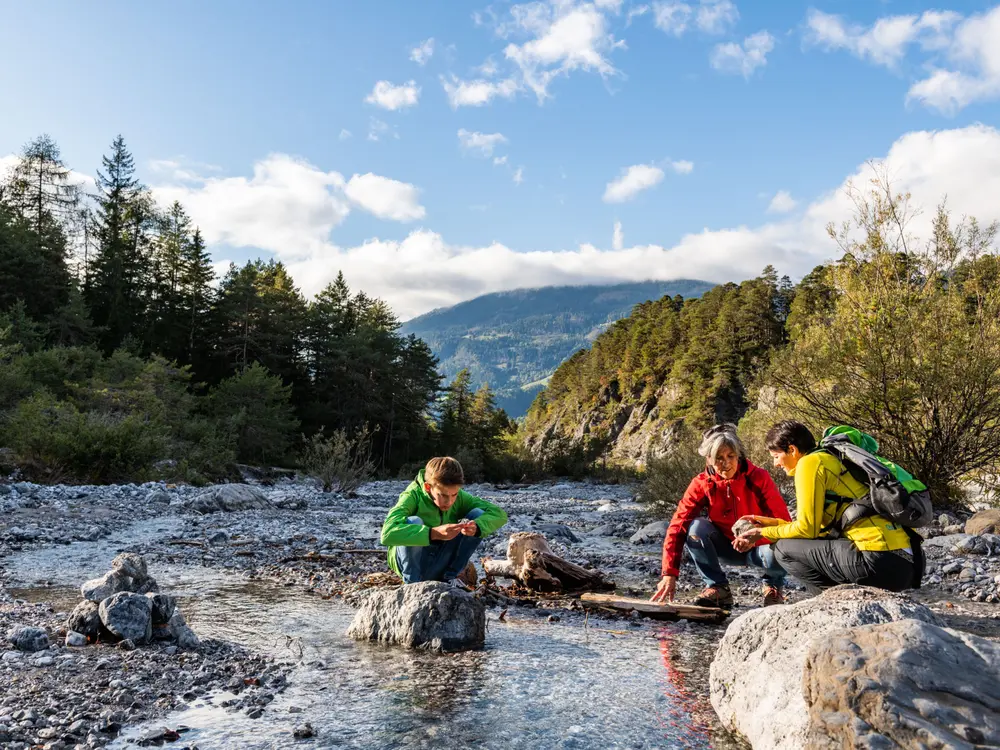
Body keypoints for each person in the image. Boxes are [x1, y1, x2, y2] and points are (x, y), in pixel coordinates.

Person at [733, 420, 917, 595]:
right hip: (905, 564)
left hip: (879, 562)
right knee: (796, 543)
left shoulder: (809, 463)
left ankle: (832, 604)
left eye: (776, 456)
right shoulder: (829, 458)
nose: (776, 464)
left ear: (792, 450)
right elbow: (820, 532)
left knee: (783, 549)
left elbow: (807, 529)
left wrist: (763, 533)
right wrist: (770, 524)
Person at [651, 424, 792, 609]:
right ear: (708, 459)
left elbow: (784, 522)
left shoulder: (759, 477)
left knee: (783, 546)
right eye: (718, 458)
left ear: (738, 455)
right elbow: (678, 527)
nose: (726, 463)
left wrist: (757, 536)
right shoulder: (701, 483)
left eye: (730, 456)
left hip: (760, 548)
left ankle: (773, 586)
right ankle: (717, 587)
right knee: (695, 528)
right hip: (727, 547)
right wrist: (669, 573)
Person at [381, 456, 508, 587]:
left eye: (454, 494)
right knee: (414, 521)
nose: (449, 502)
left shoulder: (461, 498)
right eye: (443, 495)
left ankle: (449, 579)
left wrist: (477, 527)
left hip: (440, 564)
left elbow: (499, 514)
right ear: (428, 487)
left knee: (478, 515)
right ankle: (412, 585)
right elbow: (387, 533)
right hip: (412, 567)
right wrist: (433, 533)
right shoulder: (412, 496)